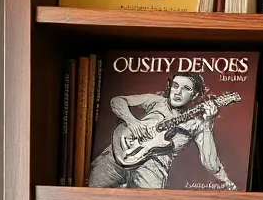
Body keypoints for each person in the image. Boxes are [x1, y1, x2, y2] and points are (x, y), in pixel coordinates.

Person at [87, 71, 236, 190]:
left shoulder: (197, 124)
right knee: (90, 195)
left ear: (195, 95)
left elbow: (211, 164)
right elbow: (117, 101)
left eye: (186, 89)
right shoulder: (157, 102)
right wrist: (132, 122)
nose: (178, 92)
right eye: (175, 86)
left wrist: (208, 123)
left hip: (153, 170)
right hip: (119, 153)